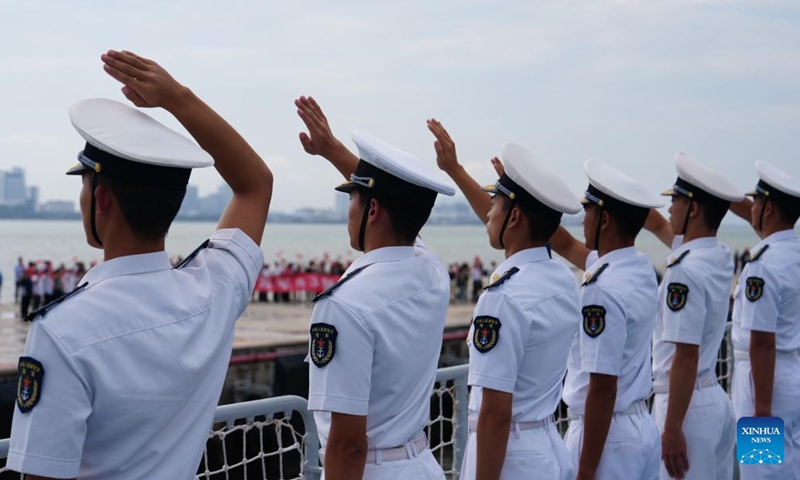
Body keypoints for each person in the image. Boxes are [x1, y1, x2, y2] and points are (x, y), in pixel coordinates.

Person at [8, 49, 273, 480]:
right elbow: (255, 185)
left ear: (103, 200)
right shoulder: (214, 290)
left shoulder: (63, 331)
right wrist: (178, 99)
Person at [296, 96, 454, 480]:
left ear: (373, 211)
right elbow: (404, 210)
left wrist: (333, 149)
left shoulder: (345, 305)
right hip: (420, 464)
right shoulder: (432, 271)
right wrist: (332, 149)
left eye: (352, 198)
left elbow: (348, 445)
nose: (348, 211)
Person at [428, 119, 581, 480]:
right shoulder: (562, 278)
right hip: (546, 445)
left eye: (494, 203)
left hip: (512, 458)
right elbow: (512, 225)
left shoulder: (504, 298)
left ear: (513, 217)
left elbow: (496, 413)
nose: (487, 214)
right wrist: (455, 171)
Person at [549, 159, 663, 480]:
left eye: (588, 211)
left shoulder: (603, 286)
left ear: (606, 220)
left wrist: (586, 470)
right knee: (775, 468)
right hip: (640, 424)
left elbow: (602, 388)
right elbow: (566, 244)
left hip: (609, 437)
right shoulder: (638, 268)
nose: (583, 220)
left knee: (760, 471)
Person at [643, 153, 742, 480]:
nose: (670, 208)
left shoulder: (685, 269)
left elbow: (764, 346)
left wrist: (671, 427)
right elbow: (659, 223)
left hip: (739, 394)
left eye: (676, 201)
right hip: (722, 394)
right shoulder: (720, 254)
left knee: (764, 472)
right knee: (766, 469)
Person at [729, 161, 800, 480]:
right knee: (789, 467)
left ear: (768, 208)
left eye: (756, 202)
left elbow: (762, 341)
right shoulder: (793, 252)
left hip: (764, 384)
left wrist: (761, 412)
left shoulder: (763, 264)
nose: (751, 208)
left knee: (762, 472)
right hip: (791, 371)